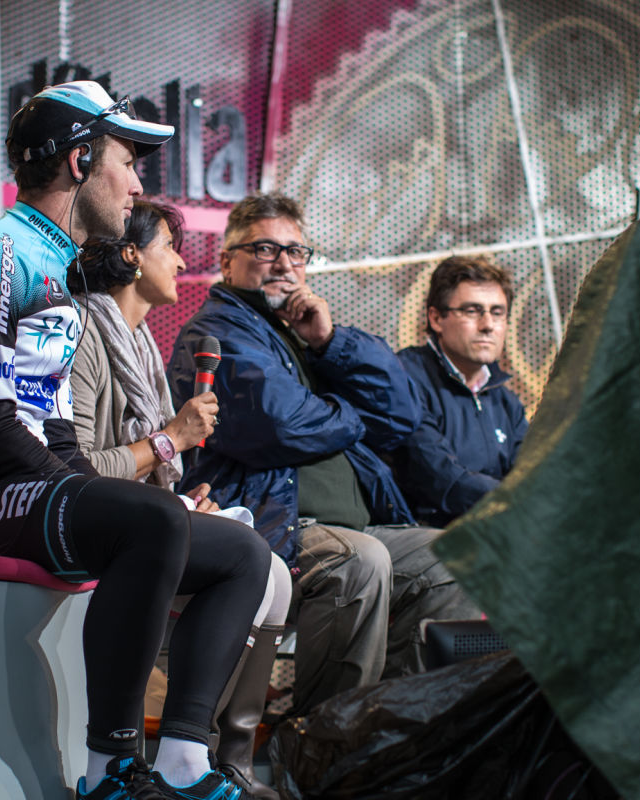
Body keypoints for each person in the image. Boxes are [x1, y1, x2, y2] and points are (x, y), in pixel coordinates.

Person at [0, 81, 268, 800]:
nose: (137, 185)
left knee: (242, 552)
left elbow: (54, 439)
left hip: (1, 490)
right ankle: (110, 772)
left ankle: (184, 763)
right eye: (129, 163)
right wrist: (124, 502)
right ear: (81, 162)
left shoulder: (54, 271)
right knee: (150, 518)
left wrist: (134, 501)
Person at [167, 192, 481, 714]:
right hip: (274, 525)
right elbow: (280, 425)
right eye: (265, 249)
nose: (284, 264)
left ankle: (382, 721)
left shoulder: (303, 335)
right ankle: (322, 735)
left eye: (296, 252)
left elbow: (401, 414)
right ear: (227, 261)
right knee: (360, 561)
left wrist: (329, 340)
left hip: (358, 524)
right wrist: (353, 415)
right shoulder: (217, 331)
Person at [69, 198, 290, 800]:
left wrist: (181, 496)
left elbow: (145, 467)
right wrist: (170, 441)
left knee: (264, 565)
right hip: (84, 519)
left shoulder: (141, 345)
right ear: (132, 256)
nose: (182, 261)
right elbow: (76, 468)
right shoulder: (83, 331)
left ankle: (203, 757)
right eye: (169, 246)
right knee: (246, 554)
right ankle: (161, 759)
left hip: (138, 518)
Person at [392, 255, 528, 526]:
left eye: (497, 312)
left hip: (496, 522)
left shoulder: (506, 401)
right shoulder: (405, 378)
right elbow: (442, 478)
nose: (487, 325)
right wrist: (520, 502)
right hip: (429, 530)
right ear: (436, 318)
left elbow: (531, 470)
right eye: (472, 311)